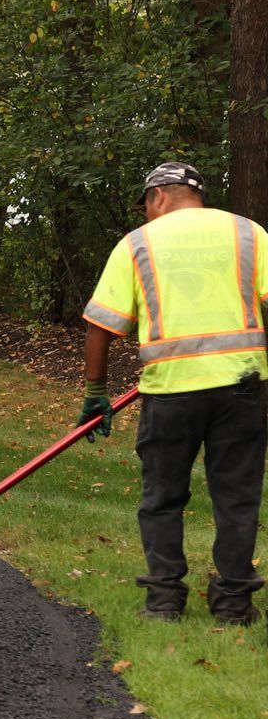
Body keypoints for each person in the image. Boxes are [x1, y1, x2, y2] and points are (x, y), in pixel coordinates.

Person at [79, 161, 268, 625]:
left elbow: (100, 324)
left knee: (163, 497)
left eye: (145, 204)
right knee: (237, 497)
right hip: (242, 387)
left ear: (158, 196)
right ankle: (234, 604)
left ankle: (164, 601)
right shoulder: (249, 234)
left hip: (171, 394)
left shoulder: (138, 244)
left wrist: (96, 391)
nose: (146, 213)